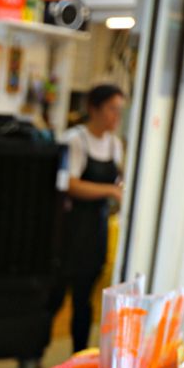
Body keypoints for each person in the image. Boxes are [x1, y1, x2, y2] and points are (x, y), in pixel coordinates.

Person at [51, 83, 125, 353]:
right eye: (111, 109)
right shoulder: (75, 139)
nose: (116, 116)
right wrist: (109, 191)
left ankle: (79, 354)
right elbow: (68, 183)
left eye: (119, 111)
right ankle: (33, 354)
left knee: (85, 298)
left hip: (97, 227)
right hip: (71, 227)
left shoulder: (115, 144)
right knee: (57, 295)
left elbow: (119, 181)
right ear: (94, 108)